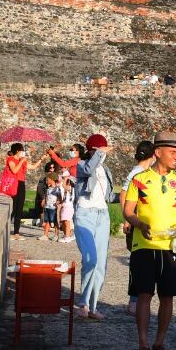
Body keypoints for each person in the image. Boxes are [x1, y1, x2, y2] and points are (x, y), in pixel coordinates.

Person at [122, 132, 176, 350]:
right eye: (173, 152)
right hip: (144, 245)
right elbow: (128, 211)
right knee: (144, 294)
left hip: (170, 245)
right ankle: (142, 344)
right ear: (158, 153)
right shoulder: (139, 179)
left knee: (167, 295)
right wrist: (139, 223)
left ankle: (159, 342)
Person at [73, 134, 115, 320]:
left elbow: (108, 197)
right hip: (85, 214)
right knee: (90, 259)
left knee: (100, 264)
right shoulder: (82, 165)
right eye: (99, 150)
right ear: (91, 151)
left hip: (102, 215)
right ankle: (83, 302)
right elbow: (89, 170)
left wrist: (129, 197)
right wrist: (99, 153)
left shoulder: (105, 170)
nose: (103, 154)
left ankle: (93, 306)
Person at [121, 140, 156, 317]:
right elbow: (124, 194)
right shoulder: (138, 173)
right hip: (136, 222)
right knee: (137, 263)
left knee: (140, 262)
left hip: (140, 221)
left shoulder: (143, 171)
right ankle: (134, 301)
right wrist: (128, 219)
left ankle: (135, 300)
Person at [3, 144, 28, 235]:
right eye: (22, 150)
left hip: (21, 184)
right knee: (13, 208)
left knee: (19, 209)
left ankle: (16, 232)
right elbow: (14, 170)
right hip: (14, 184)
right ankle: (5, 229)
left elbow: (32, 167)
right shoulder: (10, 159)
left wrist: (41, 159)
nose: (23, 152)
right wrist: (21, 162)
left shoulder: (22, 160)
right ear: (17, 151)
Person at [41, 174, 63, 240]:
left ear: (52, 180)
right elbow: (46, 196)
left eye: (48, 179)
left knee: (55, 221)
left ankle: (56, 235)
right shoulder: (48, 189)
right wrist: (44, 200)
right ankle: (46, 235)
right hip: (47, 207)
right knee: (47, 221)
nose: (47, 181)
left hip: (54, 208)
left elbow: (60, 198)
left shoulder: (57, 189)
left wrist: (59, 202)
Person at [59, 176, 76, 242]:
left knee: (67, 222)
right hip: (65, 206)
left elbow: (63, 185)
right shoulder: (67, 190)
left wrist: (65, 178)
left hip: (69, 207)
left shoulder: (71, 188)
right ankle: (66, 235)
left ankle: (67, 237)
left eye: (67, 182)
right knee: (63, 222)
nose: (65, 183)